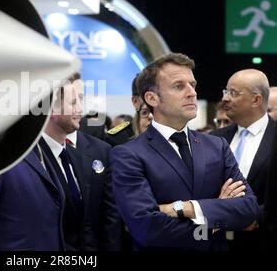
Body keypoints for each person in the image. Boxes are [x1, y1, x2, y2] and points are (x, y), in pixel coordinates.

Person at [111, 53, 259, 251]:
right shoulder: (128, 154)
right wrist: (216, 218)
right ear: (152, 98)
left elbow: (248, 209)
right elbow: (147, 228)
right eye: (178, 86)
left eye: (193, 84)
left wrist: (184, 208)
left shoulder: (217, 146)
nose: (191, 92)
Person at [39, 74, 122, 251]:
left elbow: (109, 216)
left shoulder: (96, 150)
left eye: (81, 99)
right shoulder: (31, 157)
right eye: (73, 101)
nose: (80, 109)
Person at [211, 69, 275, 250]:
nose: (225, 98)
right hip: (217, 240)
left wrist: (253, 217)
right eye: (225, 91)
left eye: (233, 93)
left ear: (256, 100)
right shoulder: (215, 139)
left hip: (262, 239)